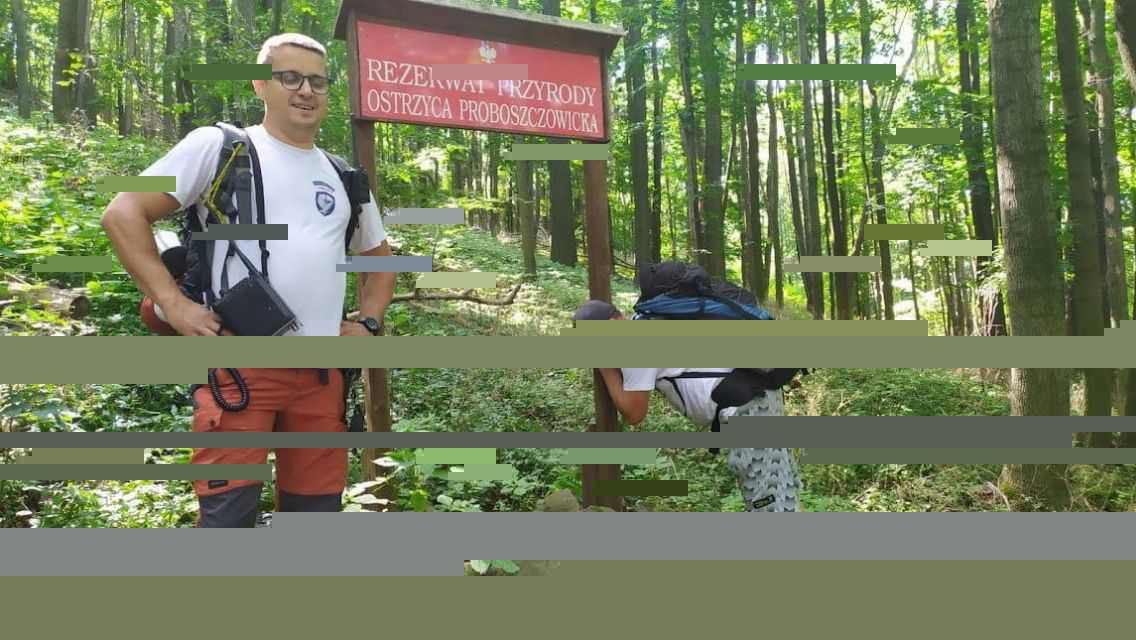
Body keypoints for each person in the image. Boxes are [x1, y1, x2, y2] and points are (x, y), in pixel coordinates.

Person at [101, 33, 397, 527]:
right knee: (228, 520)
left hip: (321, 376)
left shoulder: (344, 176)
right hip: (240, 368)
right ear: (261, 84)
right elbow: (124, 211)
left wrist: (368, 324)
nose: (306, 90)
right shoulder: (220, 147)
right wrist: (174, 303)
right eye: (290, 78)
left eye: (318, 81)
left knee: (315, 518)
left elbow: (380, 260)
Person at [572, 300, 802, 512]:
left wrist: (605, 369)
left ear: (615, 321)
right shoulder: (649, 322)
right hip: (757, 397)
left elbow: (634, 413)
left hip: (745, 410)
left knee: (767, 501)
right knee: (778, 489)